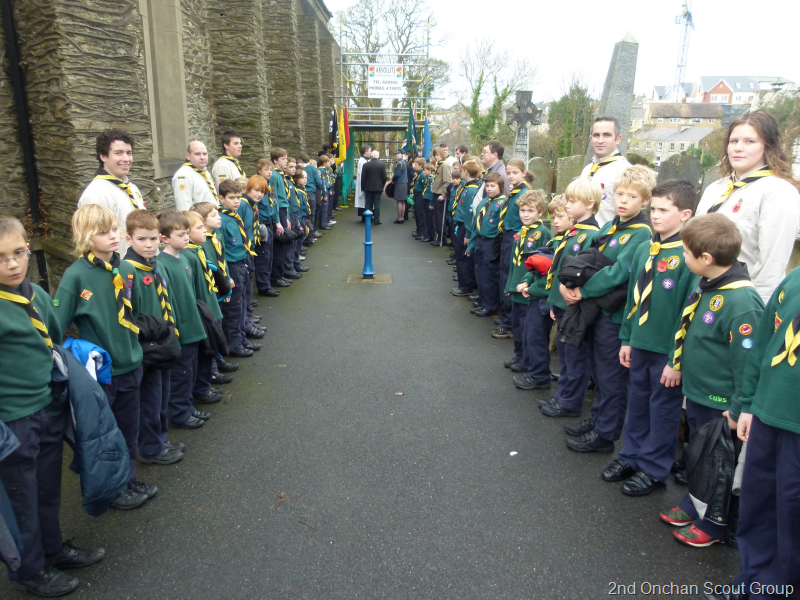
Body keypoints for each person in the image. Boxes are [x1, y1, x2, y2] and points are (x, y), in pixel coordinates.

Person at [0, 215, 105, 597]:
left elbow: (55, 336)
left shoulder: (37, 295)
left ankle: (53, 548)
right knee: (21, 494)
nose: (12, 264)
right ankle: (29, 568)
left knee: (47, 486)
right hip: (13, 419)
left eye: (19, 253)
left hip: (47, 406)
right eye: (0, 258)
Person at [657, 213, 764, 548]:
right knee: (700, 457)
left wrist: (737, 409)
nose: (683, 257)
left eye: (686, 253)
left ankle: (715, 525)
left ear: (705, 258)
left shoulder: (741, 303)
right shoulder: (711, 286)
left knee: (719, 465)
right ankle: (695, 502)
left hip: (723, 405)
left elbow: (748, 365)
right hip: (701, 395)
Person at [601, 180, 697, 496]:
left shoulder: (689, 256)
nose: (655, 216)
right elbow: (633, 298)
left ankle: (655, 468)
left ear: (686, 215)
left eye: (663, 210)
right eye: (653, 209)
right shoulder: (645, 248)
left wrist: (677, 359)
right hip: (639, 342)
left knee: (664, 409)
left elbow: (688, 313)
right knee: (638, 403)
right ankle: (631, 456)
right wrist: (627, 338)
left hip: (667, 350)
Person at [54, 204, 153, 509]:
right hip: (102, 373)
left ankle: (128, 478)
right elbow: (55, 326)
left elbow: (132, 312)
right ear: (86, 236)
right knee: (104, 435)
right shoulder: (75, 277)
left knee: (128, 427)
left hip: (132, 362)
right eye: (102, 232)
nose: (112, 236)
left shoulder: (126, 270)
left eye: (113, 229)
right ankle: (110, 489)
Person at [560, 165, 655, 453]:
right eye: (619, 194)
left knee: (611, 376)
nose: (623, 201)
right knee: (597, 370)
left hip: (614, 314)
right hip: (595, 310)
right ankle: (599, 418)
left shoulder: (640, 233)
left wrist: (582, 290)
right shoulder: (613, 225)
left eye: (632, 196)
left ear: (646, 201)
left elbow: (618, 274)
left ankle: (606, 434)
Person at [724, 267, 800, 598]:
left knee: (793, 514)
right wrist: (748, 404)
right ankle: (754, 579)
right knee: (760, 505)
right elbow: (763, 348)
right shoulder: (795, 278)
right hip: (769, 414)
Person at [696, 109, 800, 303]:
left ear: (768, 146)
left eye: (749, 141)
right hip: (702, 293)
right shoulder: (715, 189)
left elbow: (772, 263)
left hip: (741, 300)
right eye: (734, 141)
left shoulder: (778, 192)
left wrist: (755, 310)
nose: (738, 148)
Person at [121, 210, 184, 467]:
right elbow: (128, 314)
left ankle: (160, 439)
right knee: (149, 398)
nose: (148, 245)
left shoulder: (154, 264)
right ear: (129, 239)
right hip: (146, 346)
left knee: (161, 396)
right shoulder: (128, 271)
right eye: (141, 240)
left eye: (153, 239)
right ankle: (150, 448)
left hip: (163, 342)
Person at [538, 187, 600, 416]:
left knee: (575, 357)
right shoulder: (573, 231)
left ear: (590, 204)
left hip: (574, 306)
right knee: (564, 355)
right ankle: (561, 396)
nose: (568, 206)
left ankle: (570, 403)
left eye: (573, 201)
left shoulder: (592, 234)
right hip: (561, 304)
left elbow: (582, 272)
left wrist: (565, 298)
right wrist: (555, 301)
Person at [154, 211, 212, 431]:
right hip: (182, 330)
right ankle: (179, 412)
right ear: (164, 238)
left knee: (191, 371)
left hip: (193, 325)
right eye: (181, 234)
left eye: (187, 233)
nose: (186, 238)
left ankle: (188, 406)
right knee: (181, 374)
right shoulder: (162, 264)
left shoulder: (184, 258)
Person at [503, 191, 551, 389]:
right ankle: (519, 355)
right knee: (517, 324)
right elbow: (515, 264)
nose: (526, 214)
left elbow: (541, 264)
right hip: (517, 286)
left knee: (527, 328)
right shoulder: (520, 231)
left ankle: (528, 361)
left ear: (540, 213)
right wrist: (510, 285)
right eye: (523, 210)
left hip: (529, 290)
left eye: (531, 211)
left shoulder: (542, 233)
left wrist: (530, 286)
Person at [78, 129, 146, 256]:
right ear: (103, 156)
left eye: (129, 153)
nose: (126, 159)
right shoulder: (95, 194)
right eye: (118, 153)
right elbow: (93, 243)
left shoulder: (132, 188)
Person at [217, 180, 258, 358]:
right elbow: (221, 252)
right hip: (232, 266)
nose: (236, 201)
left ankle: (241, 338)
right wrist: (226, 275)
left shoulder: (235, 216)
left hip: (243, 262)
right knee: (233, 308)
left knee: (242, 304)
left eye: (238, 197)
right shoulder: (222, 221)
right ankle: (234, 344)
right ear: (221, 198)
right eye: (231, 198)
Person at [495, 159, 535, 339]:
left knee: (510, 277)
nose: (511, 176)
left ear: (524, 173)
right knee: (505, 275)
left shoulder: (524, 193)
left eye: (515, 173)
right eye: (509, 173)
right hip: (509, 235)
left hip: (517, 236)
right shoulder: (514, 191)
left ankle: (510, 323)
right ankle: (507, 318)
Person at [466, 172, 507, 318]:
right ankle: (482, 300)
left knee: (490, 275)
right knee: (480, 273)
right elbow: (476, 227)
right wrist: (471, 246)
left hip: (492, 243)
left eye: (493, 186)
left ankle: (490, 305)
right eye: (487, 186)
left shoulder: (502, 203)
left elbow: (501, 228)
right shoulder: (484, 202)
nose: (489, 189)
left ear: (500, 187)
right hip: (480, 242)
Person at [581, 117, 632, 227]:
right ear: (591, 139)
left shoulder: (625, 170)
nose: (600, 140)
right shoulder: (587, 170)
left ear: (618, 139)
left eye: (607, 135)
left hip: (607, 237)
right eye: (596, 135)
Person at [451, 160, 482, 296]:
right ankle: (468, 281)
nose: (461, 172)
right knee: (462, 256)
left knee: (462, 256)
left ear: (466, 172)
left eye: (462, 170)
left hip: (465, 226)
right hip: (461, 225)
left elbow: (471, 213)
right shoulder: (467, 187)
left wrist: (468, 233)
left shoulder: (471, 190)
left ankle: (465, 285)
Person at [251, 164, 281, 297]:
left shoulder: (270, 186)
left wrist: (277, 221)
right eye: (266, 170)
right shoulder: (257, 187)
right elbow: (255, 207)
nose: (269, 172)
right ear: (259, 170)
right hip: (261, 224)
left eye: (271, 170)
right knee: (263, 256)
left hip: (269, 222)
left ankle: (267, 283)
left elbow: (273, 204)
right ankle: (264, 286)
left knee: (269, 256)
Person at [268, 148, 293, 288]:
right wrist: (278, 220)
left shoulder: (280, 175)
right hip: (279, 211)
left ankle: (281, 273)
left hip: (284, 210)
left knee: (284, 245)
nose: (286, 161)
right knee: (279, 246)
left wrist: (287, 217)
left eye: (286, 158)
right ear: (275, 160)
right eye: (283, 159)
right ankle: (276, 277)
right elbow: (274, 198)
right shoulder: (274, 176)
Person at [173, 141, 220, 211]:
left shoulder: (204, 171)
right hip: (199, 220)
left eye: (204, 154)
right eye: (197, 154)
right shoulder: (183, 175)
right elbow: (184, 208)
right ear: (188, 156)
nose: (202, 157)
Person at [431, 147, 453, 245]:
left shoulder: (444, 165)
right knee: (436, 217)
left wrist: (444, 195)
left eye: (438, 155)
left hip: (440, 195)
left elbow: (447, 181)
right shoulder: (438, 165)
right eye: (435, 155)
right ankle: (438, 236)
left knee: (441, 218)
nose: (436, 157)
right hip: (436, 193)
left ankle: (442, 238)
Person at [361, 150, 387, 225]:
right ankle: (376, 220)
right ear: (378, 156)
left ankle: (367, 219)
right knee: (377, 204)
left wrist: (363, 187)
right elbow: (384, 177)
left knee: (368, 203)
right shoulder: (382, 164)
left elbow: (363, 177)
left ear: (371, 156)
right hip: (378, 187)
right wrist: (382, 185)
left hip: (368, 187)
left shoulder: (366, 165)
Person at [410, 158, 428, 239]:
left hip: (420, 195)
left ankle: (423, 233)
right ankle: (418, 230)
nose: (414, 165)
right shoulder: (418, 174)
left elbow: (425, 186)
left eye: (416, 164)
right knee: (417, 214)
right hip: (417, 195)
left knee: (421, 214)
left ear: (421, 166)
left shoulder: (422, 175)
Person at [392, 149, 409, 224]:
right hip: (404, 183)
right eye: (396, 154)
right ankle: (402, 217)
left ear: (402, 154)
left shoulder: (399, 163)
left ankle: (400, 218)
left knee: (399, 201)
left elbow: (397, 174)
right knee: (403, 201)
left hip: (399, 183)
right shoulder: (404, 162)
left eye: (398, 154)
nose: (396, 155)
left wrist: (393, 179)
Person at [420, 163, 436, 242]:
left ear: (430, 170)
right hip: (426, 198)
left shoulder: (431, 179)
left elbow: (431, 191)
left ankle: (431, 236)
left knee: (430, 219)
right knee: (427, 217)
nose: (423, 172)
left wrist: (431, 203)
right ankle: (428, 235)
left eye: (425, 170)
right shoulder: (428, 178)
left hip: (429, 199)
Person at [355, 145, 371, 220]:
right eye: (370, 151)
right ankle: (364, 217)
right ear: (366, 152)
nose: (370, 152)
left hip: (365, 183)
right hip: (364, 184)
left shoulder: (366, 160)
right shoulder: (362, 161)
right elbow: (362, 174)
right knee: (363, 201)